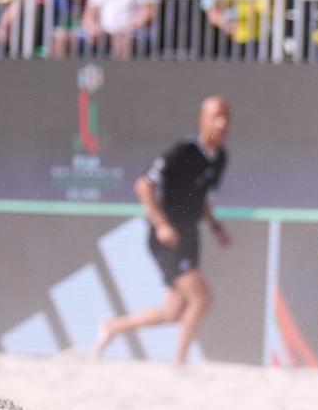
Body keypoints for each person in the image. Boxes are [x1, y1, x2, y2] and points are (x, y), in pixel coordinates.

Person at [95, 96, 233, 367]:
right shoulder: (183, 150)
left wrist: (217, 228)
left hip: (190, 236)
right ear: (202, 119)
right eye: (217, 115)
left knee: (173, 312)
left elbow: (201, 197)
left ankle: (113, 326)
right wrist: (161, 225)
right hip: (168, 238)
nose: (223, 122)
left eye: (227, 116)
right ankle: (179, 366)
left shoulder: (220, 157)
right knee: (201, 298)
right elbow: (143, 185)